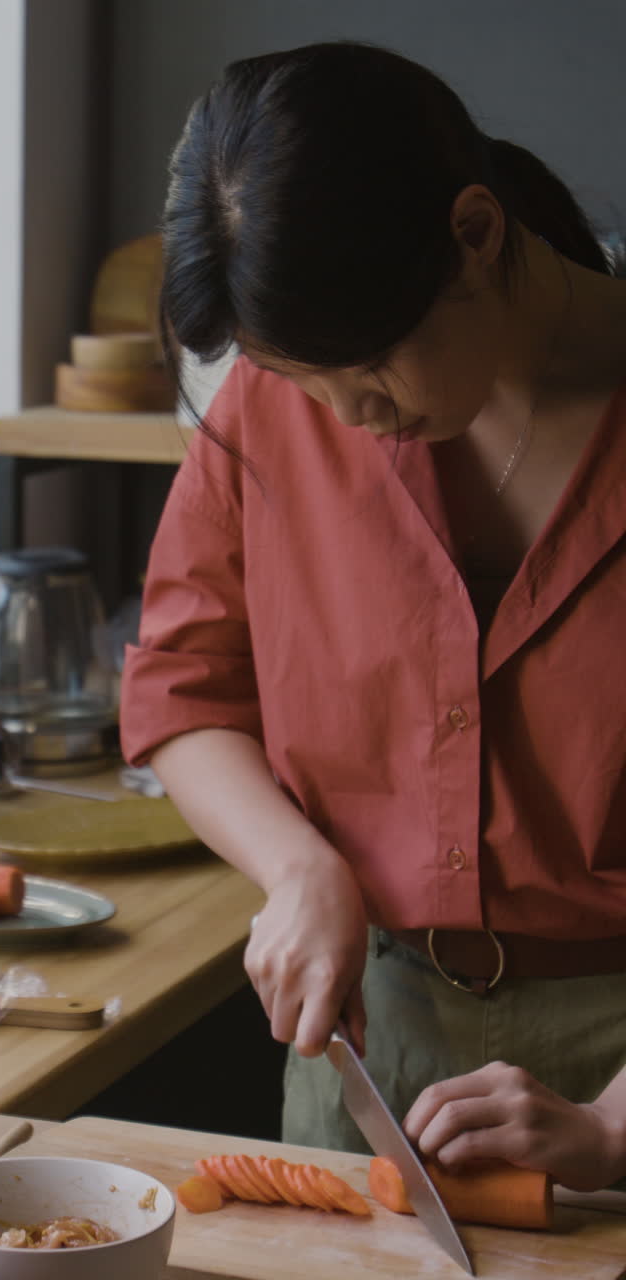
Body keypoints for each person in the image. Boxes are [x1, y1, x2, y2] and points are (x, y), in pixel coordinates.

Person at [120, 41, 626, 1192]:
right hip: (373, 1047)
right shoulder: (283, 402)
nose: (342, 418)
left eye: (368, 368)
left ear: (477, 234)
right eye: (296, 378)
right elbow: (181, 691)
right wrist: (298, 866)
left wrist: (611, 1128)